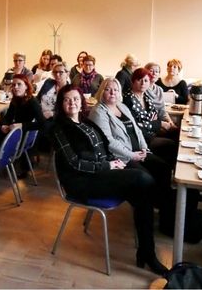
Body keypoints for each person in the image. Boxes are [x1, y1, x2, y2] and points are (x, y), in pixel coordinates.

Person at [52, 84, 168, 275]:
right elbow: (74, 163)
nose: (72, 103)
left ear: (81, 102)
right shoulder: (59, 129)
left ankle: (147, 253)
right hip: (81, 182)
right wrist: (108, 166)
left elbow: (105, 147)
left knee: (142, 194)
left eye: (75, 98)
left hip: (100, 175)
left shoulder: (84, 121)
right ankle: (153, 238)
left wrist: (113, 161)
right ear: (61, 104)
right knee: (142, 178)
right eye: (66, 99)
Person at [123, 68, 178, 168]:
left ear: (149, 83)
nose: (143, 83)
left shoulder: (146, 98)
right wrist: (157, 123)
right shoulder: (128, 100)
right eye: (139, 80)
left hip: (151, 132)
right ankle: (168, 171)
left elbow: (155, 118)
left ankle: (172, 170)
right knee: (171, 144)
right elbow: (136, 126)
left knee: (176, 132)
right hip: (141, 138)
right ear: (133, 81)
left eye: (146, 80)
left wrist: (150, 123)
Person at [88, 78, 148, 164]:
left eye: (116, 90)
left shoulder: (122, 106)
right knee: (146, 176)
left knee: (162, 166)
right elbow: (108, 141)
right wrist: (132, 155)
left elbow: (137, 129)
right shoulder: (98, 112)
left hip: (138, 152)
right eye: (108, 89)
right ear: (101, 91)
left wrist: (144, 148)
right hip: (122, 158)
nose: (113, 93)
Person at [144, 62, 179, 139]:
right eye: (151, 70)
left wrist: (170, 122)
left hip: (159, 121)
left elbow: (162, 110)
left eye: (157, 72)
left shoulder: (159, 90)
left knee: (176, 130)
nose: (154, 73)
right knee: (172, 134)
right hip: (149, 124)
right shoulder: (142, 89)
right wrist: (161, 124)